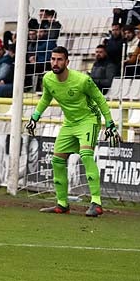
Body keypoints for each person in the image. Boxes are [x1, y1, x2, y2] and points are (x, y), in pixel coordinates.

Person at [26, 46, 118, 217]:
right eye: (53, 59)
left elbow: (100, 99)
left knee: (86, 155)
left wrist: (110, 122)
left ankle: (96, 203)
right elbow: (46, 97)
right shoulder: (47, 79)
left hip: (89, 120)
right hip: (69, 123)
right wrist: (35, 117)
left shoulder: (82, 80)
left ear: (67, 62)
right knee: (57, 160)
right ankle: (62, 204)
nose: (55, 62)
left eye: (59, 59)